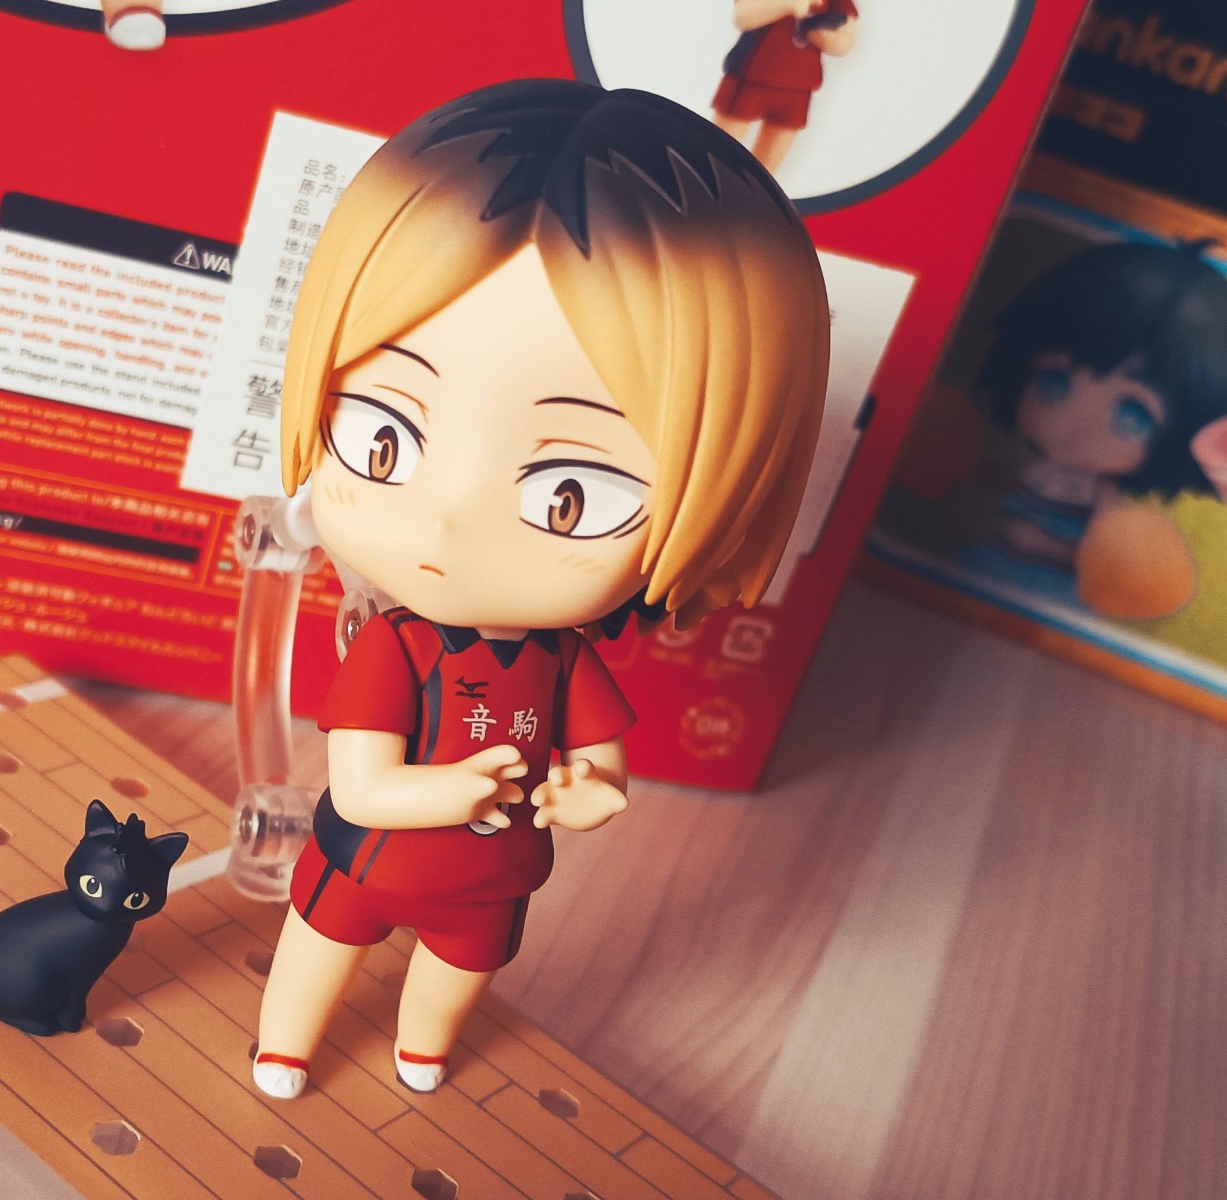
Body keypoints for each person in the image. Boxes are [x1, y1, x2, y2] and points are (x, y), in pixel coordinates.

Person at [248, 79, 830, 1100]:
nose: (446, 523)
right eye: (383, 439)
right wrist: (457, 791)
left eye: (571, 495)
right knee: (320, 948)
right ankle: (285, 1047)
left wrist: (592, 790)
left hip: (494, 878)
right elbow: (359, 785)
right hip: (367, 857)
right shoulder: (393, 650)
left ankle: (421, 1050)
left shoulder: (561, 661)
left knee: (455, 978)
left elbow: (601, 760)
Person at [952, 241, 1227, 610]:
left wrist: (1045, 546)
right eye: (1054, 382)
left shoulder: (1103, 497)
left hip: (1052, 594)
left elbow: (1102, 561)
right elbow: (994, 482)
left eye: (1132, 416)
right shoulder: (1034, 468)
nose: (1070, 425)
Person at [710, 0, 859, 170]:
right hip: (750, 77)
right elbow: (742, 17)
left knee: (766, 168)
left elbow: (843, 43)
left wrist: (819, 33)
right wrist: (787, 5)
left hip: (799, 87)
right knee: (717, 151)